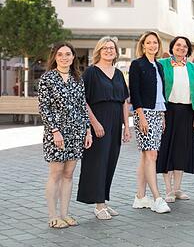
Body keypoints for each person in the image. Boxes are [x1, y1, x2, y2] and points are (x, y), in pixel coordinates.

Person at [77, 36, 131, 220]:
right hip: (98, 121)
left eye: (112, 48)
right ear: (98, 51)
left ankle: (104, 201)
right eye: (105, 48)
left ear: (116, 52)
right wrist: (94, 123)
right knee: (97, 163)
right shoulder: (91, 72)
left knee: (110, 162)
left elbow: (124, 100)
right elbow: (83, 101)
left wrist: (126, 126)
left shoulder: (118, 73)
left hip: (116, 122)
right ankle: (98, 204)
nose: (109, 51)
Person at [38, 42, 92, 229]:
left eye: (67, 54)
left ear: (73, 57)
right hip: (56, 134)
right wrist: (54, 131)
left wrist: (87, 130)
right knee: (56, 174)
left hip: (76, 132)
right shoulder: (47, 78)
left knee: (68, 174)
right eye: (60, 54)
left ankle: (65, 214)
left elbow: (82, 107)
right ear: (55, 57)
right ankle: (53, 216)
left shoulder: (78, 78)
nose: (64, 57)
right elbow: (44, 108)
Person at [128, 32, 171, 214]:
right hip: (143, 113)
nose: (152, 45)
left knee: (146, 157)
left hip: (156, 113)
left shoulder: (159, 66)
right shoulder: (137, 65)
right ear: (143, 45)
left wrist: (161, 116)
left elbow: (160, 93)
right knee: (152, 154)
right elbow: (135, 92)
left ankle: (140, 197)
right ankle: (157, 197)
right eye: (149, 43)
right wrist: (142, 116)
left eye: (155, 43)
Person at [157, 36, 194, 203]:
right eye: (178, 45)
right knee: (166, 148)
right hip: (168, 110)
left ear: (188, 50)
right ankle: (167, 189)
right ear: (172, 47)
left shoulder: (193, 68)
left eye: (184, 46)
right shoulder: (162, 64)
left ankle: (177, 189)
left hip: (187, 111)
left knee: (181, 150)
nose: (181, 48)